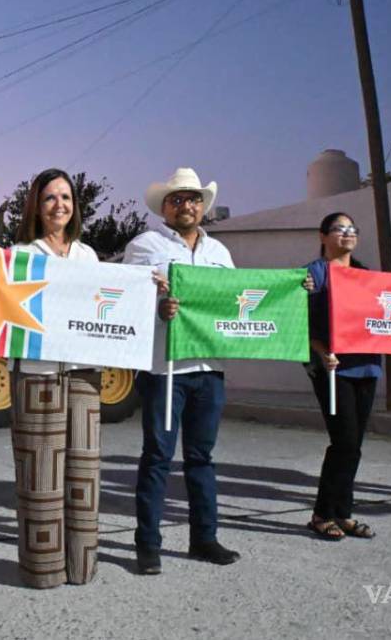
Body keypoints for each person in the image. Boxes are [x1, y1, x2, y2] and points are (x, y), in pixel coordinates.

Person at [0, 168, 103, 588]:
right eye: (50, 197)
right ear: (36, 205)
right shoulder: (19, 255)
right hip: (36, 374)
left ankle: (82, 566)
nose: (59, 205)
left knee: (84, 472)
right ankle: (43, 569)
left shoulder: (88, 256)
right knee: (40, 476)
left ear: (75, 206)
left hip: (84, 374)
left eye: (66, 197)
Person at [122, 167, 241, 575]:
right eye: (177, 199)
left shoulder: (220, 253)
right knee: (157, 456)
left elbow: (235, 302)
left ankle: (204, 538)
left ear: (202, 206)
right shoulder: (144, 246)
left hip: (209, 367)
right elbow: (127, 301)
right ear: (164, 207)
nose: (186, 205)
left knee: (201, 457)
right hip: (164, 369)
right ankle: (148, 544)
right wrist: (158, 307)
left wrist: (294, 293)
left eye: (193, 198)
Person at [305, 212, 381, 541]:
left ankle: (343, 512)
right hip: (334, 368)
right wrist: (322, 352)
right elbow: (300, 319)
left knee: (355, 444)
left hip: (367, 365)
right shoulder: (313, 274)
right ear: (323, 236)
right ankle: (322, 514)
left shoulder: (367, 275)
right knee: (344, 442)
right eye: (339, 229)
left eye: (352, 229)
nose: (347, 233)